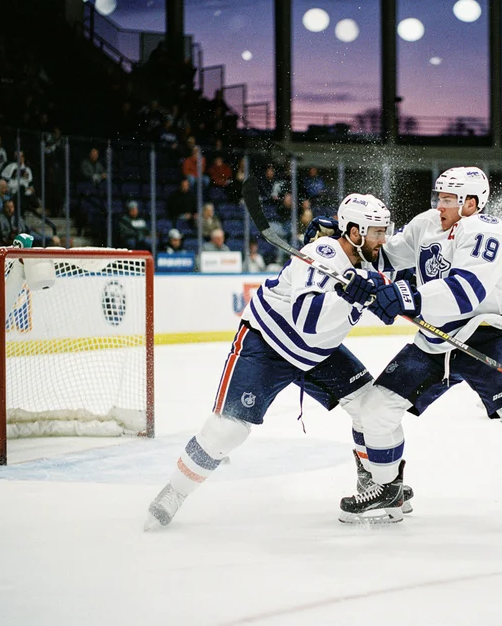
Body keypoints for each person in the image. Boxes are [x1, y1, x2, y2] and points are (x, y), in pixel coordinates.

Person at [336, 168, 502, 532]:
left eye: (448, 199)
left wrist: (405, 296)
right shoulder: (426, 224)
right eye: (439, 196)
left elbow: (465, 293)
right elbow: (384, 260)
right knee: (376, 408)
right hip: (436, 341)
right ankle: (388, 487)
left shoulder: (487, 231)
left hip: (486, 335)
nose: (439, 204)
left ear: (471, 203)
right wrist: (345, 245)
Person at [145, 192, 414, 529]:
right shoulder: (321, 254)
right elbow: (306, 320)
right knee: (228, 429)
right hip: (269, 343)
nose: (383, 239)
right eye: (377, 232)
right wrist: (348, 297)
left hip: (318, 353)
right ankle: (174, 491)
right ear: (356, 232)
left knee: (369, 407)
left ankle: (371, 483)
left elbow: (403, 262)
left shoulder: (370, 255)